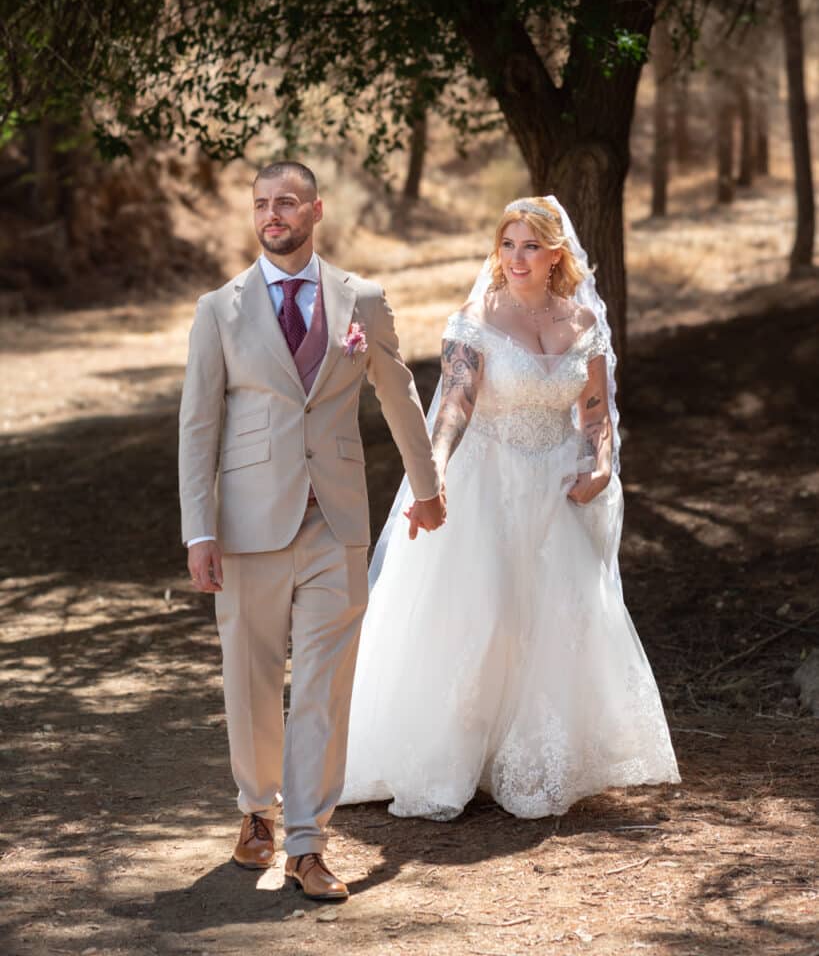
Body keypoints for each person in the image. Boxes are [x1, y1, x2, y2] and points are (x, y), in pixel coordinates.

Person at [340, 196, 680, 820]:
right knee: (487, 615)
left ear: (556, 254)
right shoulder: (477, 317)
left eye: (530, 246)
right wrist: (434, 467)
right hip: (486, 481)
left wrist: (600, 464)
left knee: (556, 619)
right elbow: (455, 401)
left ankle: (525, 758)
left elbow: (596, 410)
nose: (516, 258)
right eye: (507, 245)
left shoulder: (585, 324)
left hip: (555, 487)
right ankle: (453, 757)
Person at [178, 161, 445, 899]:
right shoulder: (219, 310)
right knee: (253, 678)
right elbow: (198, 427)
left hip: (335, 518)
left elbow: (397, 393)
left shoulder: (362, 298)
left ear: (315, 210)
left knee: (325, 686)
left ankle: (307, 843)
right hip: (246, 524)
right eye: (262, 204)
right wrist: (198, 531)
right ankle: (256, 812)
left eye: (286, 202)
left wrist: (426, 488)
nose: (273, 214)